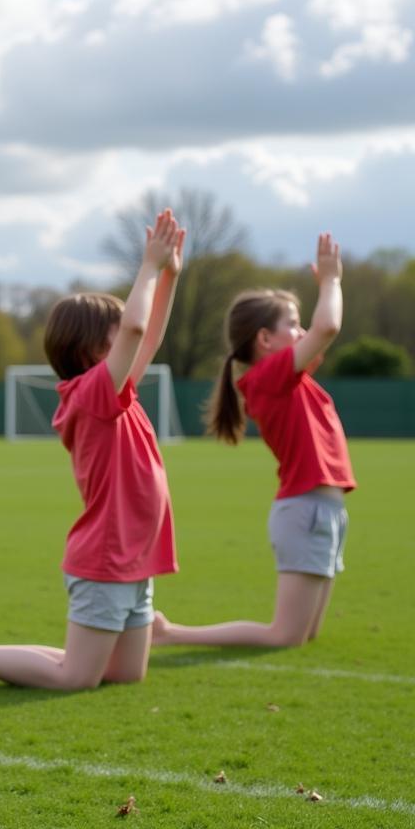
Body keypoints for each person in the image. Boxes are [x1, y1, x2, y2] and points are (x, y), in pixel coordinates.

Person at [0, 210, 185, 690]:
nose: (128, 340)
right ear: (93, 349)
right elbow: (136, 332)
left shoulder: (116, 392)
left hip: (134, 557)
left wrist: (169, 273)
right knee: (76, 678)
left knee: (124, 673)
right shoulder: (91, 396)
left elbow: (146, 334)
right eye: (115, 334)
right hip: (107, 557)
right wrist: (148, 269)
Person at [152, 233, 354, 649]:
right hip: (306, 512)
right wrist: (331, 281)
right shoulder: (268, 379)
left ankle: (170, 633)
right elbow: (328, 326)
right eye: (293, 325)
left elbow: (322, 333)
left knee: (304, 634)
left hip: (326, 511)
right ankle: (169, 633)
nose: (303, 332)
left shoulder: (288, 378)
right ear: (265, 340)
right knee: (284, 635)